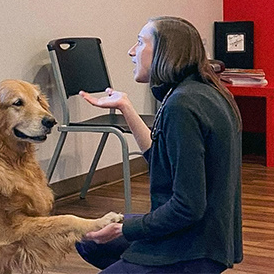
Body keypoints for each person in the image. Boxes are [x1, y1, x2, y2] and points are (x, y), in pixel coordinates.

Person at [75, 16, 243, 273]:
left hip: (191, 248)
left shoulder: (182, 105)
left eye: (140, 43)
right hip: (210, 238)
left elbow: (188, 207)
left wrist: (125, 229)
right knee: (87, 238)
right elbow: (161, 160)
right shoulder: (203, 91)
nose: (132, 51)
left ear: (167, 52)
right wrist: (125, 106)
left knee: (104, 236)